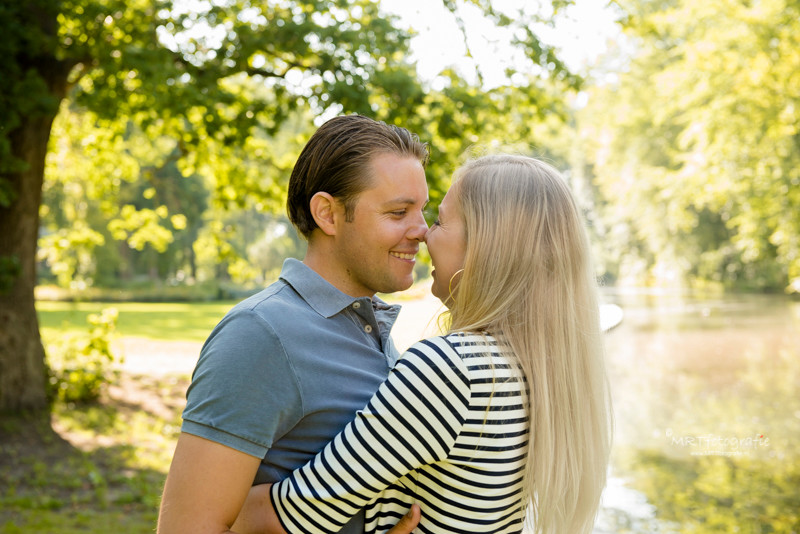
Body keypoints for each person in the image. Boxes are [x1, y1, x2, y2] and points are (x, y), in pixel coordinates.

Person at [232, 154, 614, 534]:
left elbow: (286, 517)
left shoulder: (451, 371)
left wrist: (218, 506)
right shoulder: (537, 367)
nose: (424, 234)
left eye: (440, 221)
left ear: (487, 243)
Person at [157, 114, 430, 534]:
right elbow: (187, 526)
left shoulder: (372, 329)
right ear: (328, 214)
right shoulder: (261, 334)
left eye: (422, 211)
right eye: (398, 212)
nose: (422, 231)